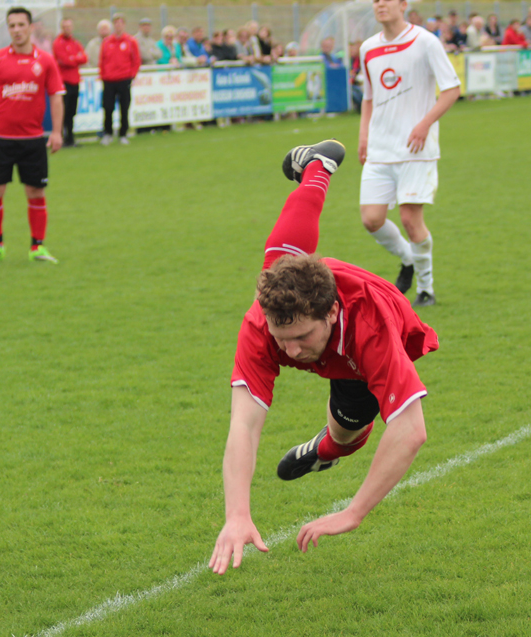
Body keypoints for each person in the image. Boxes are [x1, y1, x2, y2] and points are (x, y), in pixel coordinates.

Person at [209, 140, 438, 575]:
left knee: (350, 431)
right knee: (281, 250)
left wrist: (352, 512)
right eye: (282, 339)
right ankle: (319, 164)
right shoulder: (264, 323)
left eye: (300, 337)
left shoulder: (370, 329)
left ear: (331, 312)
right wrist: (236, 513)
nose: (290, 352)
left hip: (373, 335)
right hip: (301, 289)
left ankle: (326, 448)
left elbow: (410, 431)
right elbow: (244, 423)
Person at [358, 0, 461, 308]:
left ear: (403, 5)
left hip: (416, 149)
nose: (380, 5)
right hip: (380, 148)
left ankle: (426, 289)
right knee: (371, 219)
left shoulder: (425, 42)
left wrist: (424, 124)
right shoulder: (367, 48)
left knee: (410, 219)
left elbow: (452, 88)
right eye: (375, 0)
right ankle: (408, 260)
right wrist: (363, 135)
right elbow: (368, 98)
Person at [0, 6, 65, 264]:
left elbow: (56, 97)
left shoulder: (45, 60)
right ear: (8, 29)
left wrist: (56, 131)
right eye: (12, 26)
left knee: (36, 193)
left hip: (33, 140)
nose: (17, 30)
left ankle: (37, 247)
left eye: (21, 25)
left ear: (31, 27)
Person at [99, 13, 141, 146]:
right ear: (113, 25)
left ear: (124, 25)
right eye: (116, 23)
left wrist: (131, 75)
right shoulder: (107, 42)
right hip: (109, 80)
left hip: (124, 79)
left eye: (120, 23)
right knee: (108, 107)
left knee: (124, 107)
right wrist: (104, 75)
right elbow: (102, 60)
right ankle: (108, 133)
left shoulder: (130, 41)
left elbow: (136, 60)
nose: (118, 25)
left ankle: (123, 134)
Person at [52, 18, 87, 147]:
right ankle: (61, 137)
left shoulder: (75, 42)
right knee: (64, 111)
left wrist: (74, 58)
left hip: (75, 80)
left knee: (72, 111)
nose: (68, 29)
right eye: (65, 26)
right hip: (64, 81)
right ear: (62, 28)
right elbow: (64, 60)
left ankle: (70, 138)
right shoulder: (58, 43)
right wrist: (75, 58)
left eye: (69, 26)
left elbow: (84, 57)